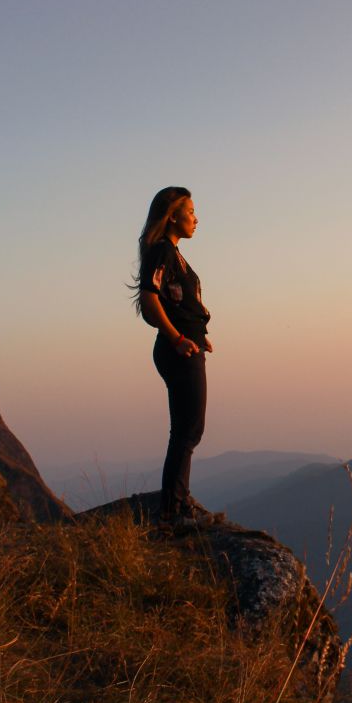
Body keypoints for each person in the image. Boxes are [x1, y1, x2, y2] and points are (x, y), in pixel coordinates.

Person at [133, 186, 213, 524]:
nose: (196, 218)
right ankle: (173, 512)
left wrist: (198, 335)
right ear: (173, 216)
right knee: (188, 430)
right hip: (177, 350)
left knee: (186, 428)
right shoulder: (163, 252)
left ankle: (178, 502)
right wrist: (178, 338)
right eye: (191, 211)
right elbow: (150, 302)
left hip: (185, 346)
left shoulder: (172, 253)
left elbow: (177, 301)